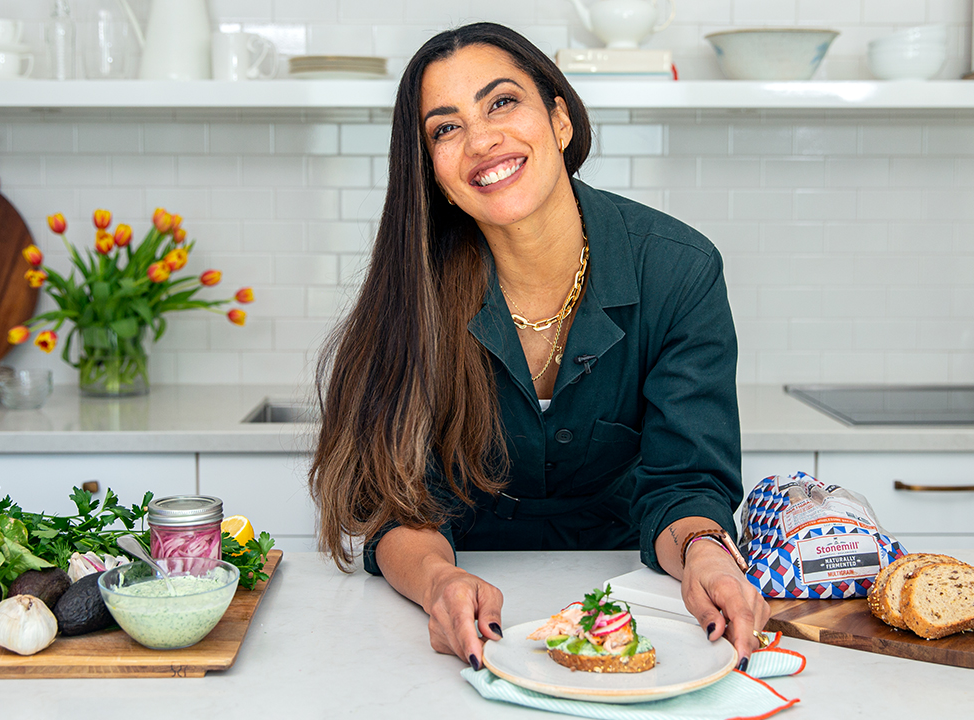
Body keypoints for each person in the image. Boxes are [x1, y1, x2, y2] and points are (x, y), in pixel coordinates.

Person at [307, 22, 769, 672]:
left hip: (640, 608)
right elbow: (396, 503)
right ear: (433, 173)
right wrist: (439, 582)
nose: (482, 139)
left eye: (501, 102)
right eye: (445, 127)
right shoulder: (413, 292)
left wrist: (707, 557)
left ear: (558, 119)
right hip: (454, 615)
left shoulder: (678, 271)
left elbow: (685, 484)